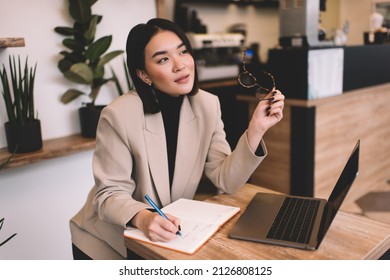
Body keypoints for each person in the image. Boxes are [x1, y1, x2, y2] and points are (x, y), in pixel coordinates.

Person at [69, 18, 285, 260]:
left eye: (183, 52)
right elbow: (109, 194)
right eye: (163, 59)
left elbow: (226, 180)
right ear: (143, 74)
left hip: (166, 236)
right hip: (107, 239)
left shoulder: (208, 104)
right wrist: (143, 216)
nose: (180, 65)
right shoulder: (118, 115)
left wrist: (256, 129)